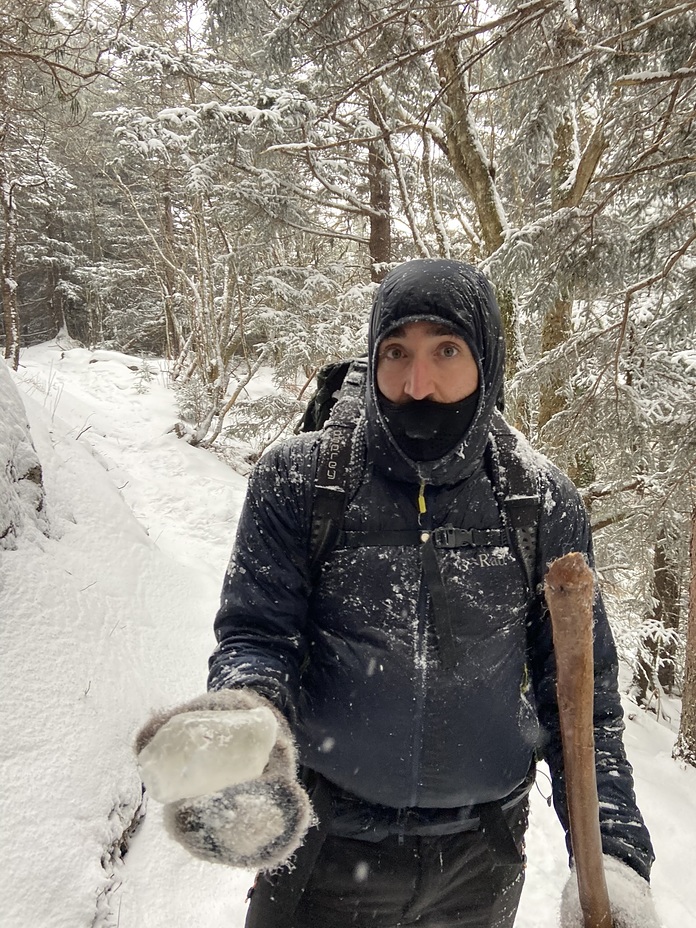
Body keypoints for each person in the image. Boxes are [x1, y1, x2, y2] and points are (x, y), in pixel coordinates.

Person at [136, 260, 658, 928]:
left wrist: (614, 859)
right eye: (397, 353)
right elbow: (258, 638)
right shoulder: (299, 481)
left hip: (482, 865)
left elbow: (585, 700)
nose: (418, 384)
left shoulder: (539, 500)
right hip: (322, 853)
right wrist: (248, 730)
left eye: (446, 350)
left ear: (487, 358)